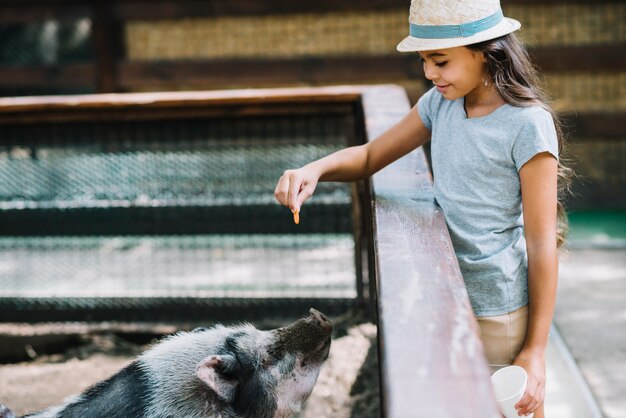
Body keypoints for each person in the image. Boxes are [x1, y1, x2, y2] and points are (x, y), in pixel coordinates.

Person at [274, 0, 572, 416]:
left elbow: (542, 244)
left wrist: (536, 352)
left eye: (440, 60)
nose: (430, 73)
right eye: (424, 60)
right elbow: (371, 155)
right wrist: (314, 169)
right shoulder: (440, 103)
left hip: (496, 311)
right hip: (445, 297)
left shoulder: (527, 124)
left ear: (486, 52)